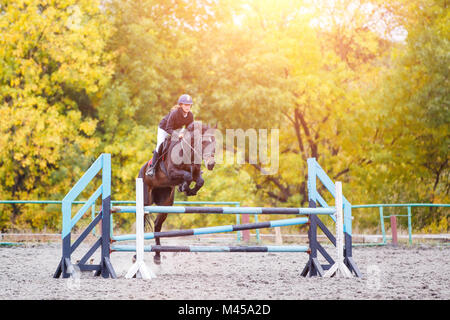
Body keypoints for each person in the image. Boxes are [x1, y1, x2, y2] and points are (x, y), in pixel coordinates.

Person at [146, 94, 194, 177]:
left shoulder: (190, 115)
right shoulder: (174, 113)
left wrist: (185, 134)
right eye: (186, 105)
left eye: (189, 105)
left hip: (176, 129)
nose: (187, 107)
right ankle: (152, 168)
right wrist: (177, 134)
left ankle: (190, 166)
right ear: (181, 105)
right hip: (164, 128)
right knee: (160, 144)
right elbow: (168, 128)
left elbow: (189, 128)